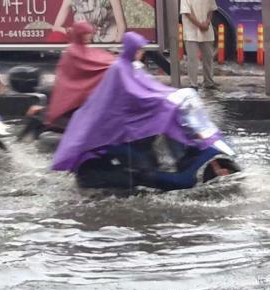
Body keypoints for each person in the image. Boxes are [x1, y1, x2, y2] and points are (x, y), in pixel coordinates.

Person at [52, 32, 237, 190]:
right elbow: (134, 93)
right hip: (125, 123)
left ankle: (179, 162)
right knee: (165, 122)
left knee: (172, 117)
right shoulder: (119, 68)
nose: (141, 53)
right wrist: (161, 101)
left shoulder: (134, 67)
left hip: (138, 117)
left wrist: (172, 97)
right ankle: (167, 170)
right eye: (139, 49)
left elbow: (151, 88)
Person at [16, 21, 116, 140]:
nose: (89, 37)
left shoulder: (87, 51)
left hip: (85, 98)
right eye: (85, 34)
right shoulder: (74, 52)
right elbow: (94, 65)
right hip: (74, 99)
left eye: (89, 34)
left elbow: (100, 61)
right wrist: (114, 64)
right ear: (79, 34)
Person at [180, 0, 218, 90]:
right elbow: (186, 13)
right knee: (193, 60)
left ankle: (209, 82)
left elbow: (212, 8)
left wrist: (207, 22)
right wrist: (199, 24)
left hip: (206, 30)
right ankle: (193, 84)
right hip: (191, 31)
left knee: (208, 57)